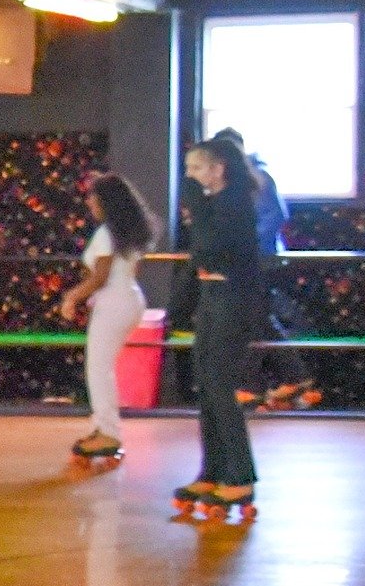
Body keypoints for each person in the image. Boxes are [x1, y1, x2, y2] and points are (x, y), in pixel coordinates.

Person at [173, 136, 264, 520]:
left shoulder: (235, 204)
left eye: (195, 168)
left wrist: (195, 207)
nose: (189, 177)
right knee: (205, 383)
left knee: (219, 384)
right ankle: (213, 470)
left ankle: (239, 475)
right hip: (214, 296)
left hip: (233, 298)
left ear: (217, 169)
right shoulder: (216, 204)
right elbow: (201, 254)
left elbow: (209, 249)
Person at [215, 127, 316, 409]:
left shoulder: (254, 178)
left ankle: (257, 383)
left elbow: (275, 216)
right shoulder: (245, 179)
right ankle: (288, 377)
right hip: (253, 259)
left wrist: (247, 246)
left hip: (258, 260)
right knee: (256, 318)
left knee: (253, 318)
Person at [59, 174, 156, 464]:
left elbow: (100, 276)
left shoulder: (106, 234)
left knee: (98, 369)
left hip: (114, 303)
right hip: (129, 299)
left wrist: (72, 297)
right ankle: (103, 427)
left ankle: (109, 432)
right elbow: (129, 272)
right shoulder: (127, 233)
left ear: (106, 201)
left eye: (93, 197)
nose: (88, 202)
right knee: (102, 367)